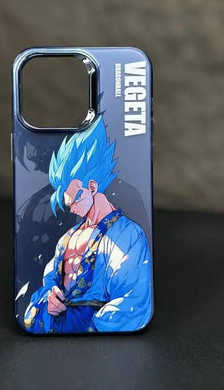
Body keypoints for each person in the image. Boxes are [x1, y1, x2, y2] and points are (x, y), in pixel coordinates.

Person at [24, 117, 153, 333]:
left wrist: (89, 327)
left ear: (92, 187)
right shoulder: (67, 238)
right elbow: (48, 284)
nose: (71, 209)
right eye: (68, 204)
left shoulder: (128, 235)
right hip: (56, 333)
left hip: (96, 334)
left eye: (75, 200)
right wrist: (50, 300)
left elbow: (132, 300)